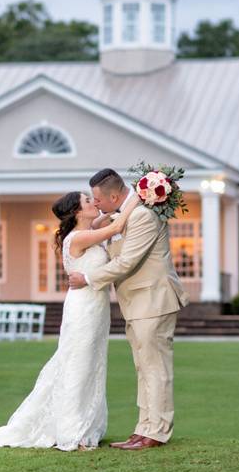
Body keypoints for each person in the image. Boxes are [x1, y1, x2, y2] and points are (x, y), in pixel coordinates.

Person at [0, 188, 139, 451]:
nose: (94, 202)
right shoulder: (78, 238)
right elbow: (116, 225)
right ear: (77, 211)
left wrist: (118, 206)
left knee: (92, 363)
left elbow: (107, 219)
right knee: (78, 364)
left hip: (96, 308)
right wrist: (140, 195)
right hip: (83, 308)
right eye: (88, 200)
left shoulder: (87, 230)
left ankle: (87, 426)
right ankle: (71, 431)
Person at [67, 168, 191, 450]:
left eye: (97, 199)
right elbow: (104, 228)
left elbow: (128, 262)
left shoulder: (142, 217)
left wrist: (87, 278)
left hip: (153, 300)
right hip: (136, 303)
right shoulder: (119, 215)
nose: (95, 204)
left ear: (113, 195)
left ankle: (156, 432)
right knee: (143, 367)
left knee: (155, 367)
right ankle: (143, 428)